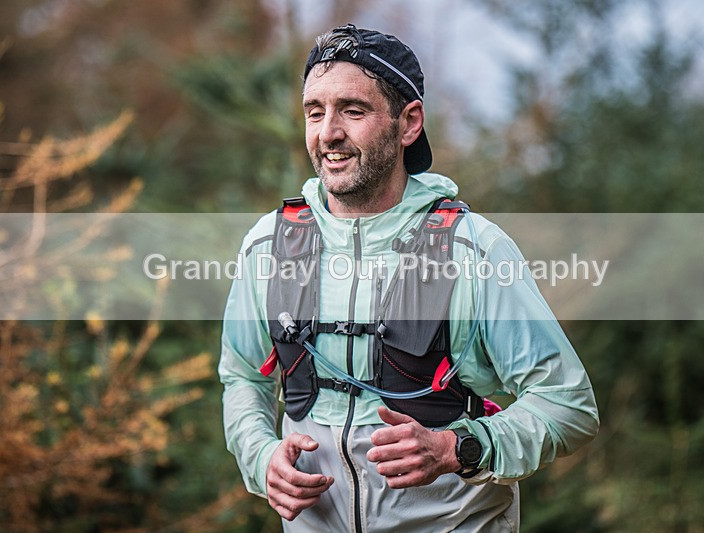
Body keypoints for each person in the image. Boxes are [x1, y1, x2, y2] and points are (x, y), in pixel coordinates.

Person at [219, 23, 599, 532]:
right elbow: (242, 376)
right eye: (315, 112)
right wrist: (261, 456)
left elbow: (568, 406)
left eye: (353, 110)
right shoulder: (268, 244)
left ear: (409, 122)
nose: (328, 132)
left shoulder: (474, 250)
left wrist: (458, 447)